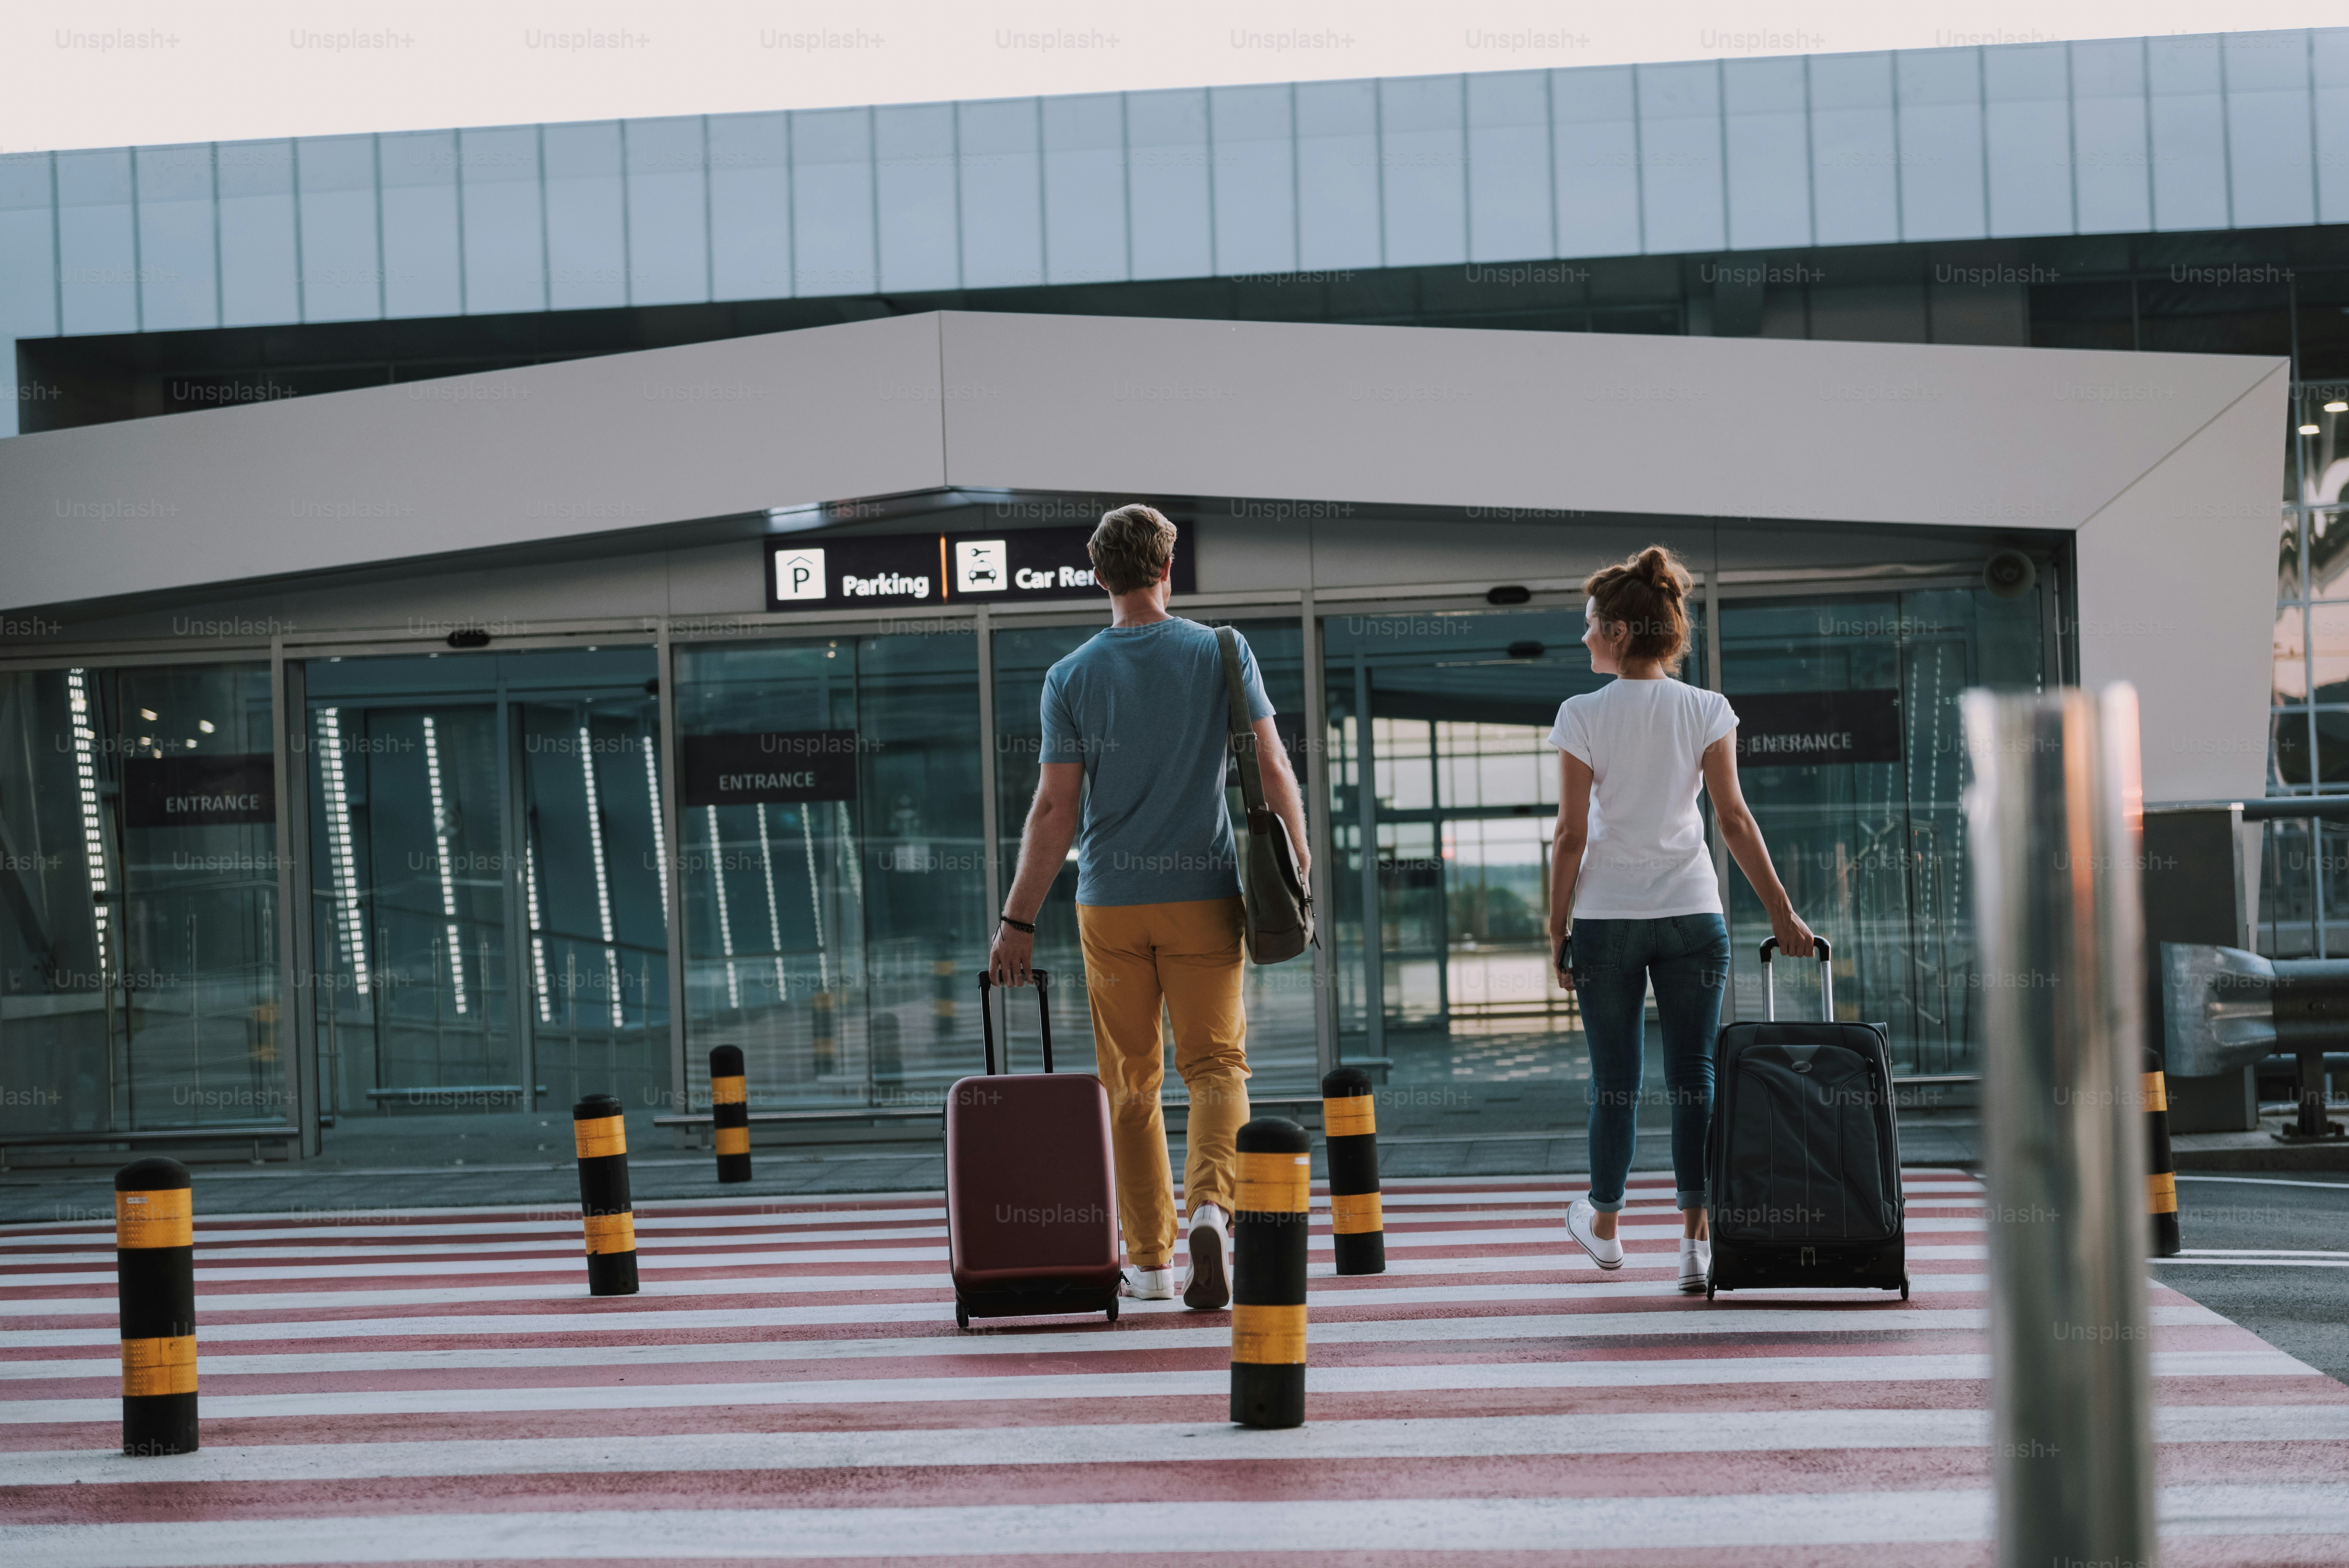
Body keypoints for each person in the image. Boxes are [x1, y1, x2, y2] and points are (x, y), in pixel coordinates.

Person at [988, 503, 1311, 1310]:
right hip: (1204, 893)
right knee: (1215, 1065)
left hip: (1110, 903)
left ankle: (1150, 1261)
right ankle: (1211, 1205)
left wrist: (1017, 918)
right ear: (1169, 570)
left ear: (1098, 576)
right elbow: (1273, 769)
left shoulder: (1069, 675)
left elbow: (1051, 812)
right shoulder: (1222, 653)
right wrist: (1297, 864)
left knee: (1129, 1082)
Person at [1545, 545, 1814, 1293]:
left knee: (1615, 1084)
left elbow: (1570, 835)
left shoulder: (1580, 715)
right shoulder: (1706, 708)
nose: (1586, 637)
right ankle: (1695, 1247)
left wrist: (1555, 928)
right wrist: (1783, 914)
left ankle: (1604, 1229)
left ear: (1623, 633)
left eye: (1592, 625)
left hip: (1607, 918)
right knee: (1694, 1078)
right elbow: (1732, 819)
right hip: (1695, 914)